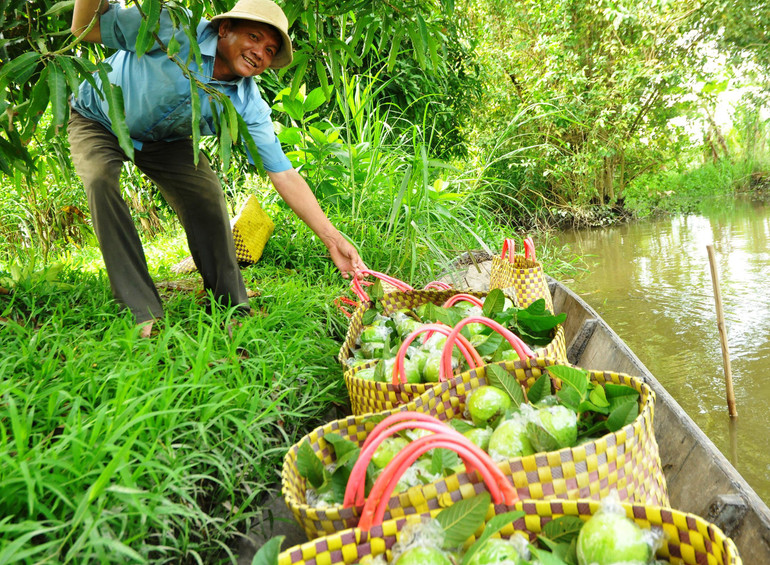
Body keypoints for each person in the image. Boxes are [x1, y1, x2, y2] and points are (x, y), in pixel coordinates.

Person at [69, 0, 367, 337]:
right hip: (100, 118)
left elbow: (283, 173)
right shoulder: (174, 28)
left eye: (269, 50)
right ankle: (142, 312)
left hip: (166, 140)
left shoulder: (247, 102)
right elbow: (85, 28)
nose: (259, 53)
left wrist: (332, 239)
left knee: (208, 198)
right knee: (99, 180)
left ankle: (232, 307)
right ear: (224, 29)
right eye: (253, 37)